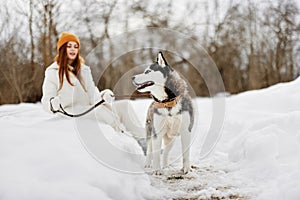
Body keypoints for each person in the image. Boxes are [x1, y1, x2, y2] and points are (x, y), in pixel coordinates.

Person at [41, 32, 145, 145]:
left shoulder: (84, 70)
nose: (72, 49)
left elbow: (93, 95)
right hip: (73, 112)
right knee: (101, 112)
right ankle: (122, 136)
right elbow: (46, 100)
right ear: (62, 49)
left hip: (89, 108)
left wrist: (103, 96)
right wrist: (52, 104)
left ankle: (145, 141)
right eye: (69, 46)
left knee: (124, 105)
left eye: (75, 47)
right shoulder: (52, 72)